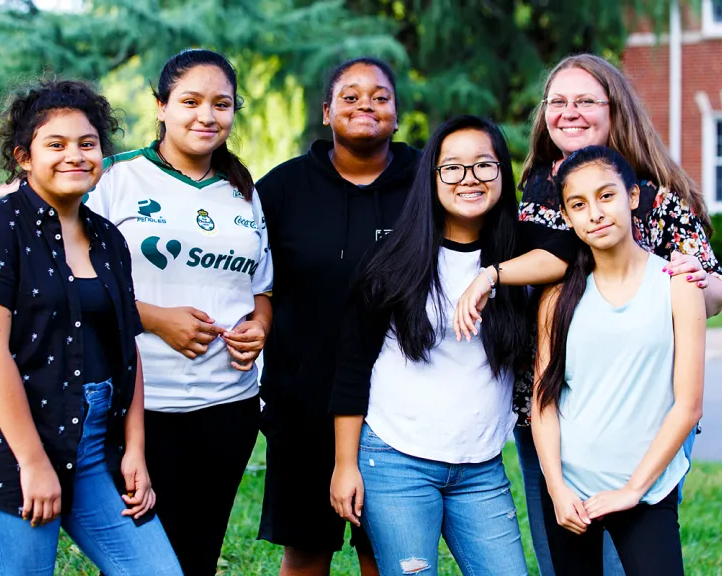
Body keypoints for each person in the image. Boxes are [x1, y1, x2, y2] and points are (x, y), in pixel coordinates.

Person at [453, 53, 721, 576]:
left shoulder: (652, 194)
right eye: (558, 102)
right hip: (548, 409)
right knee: (565, 545)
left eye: (585, 101)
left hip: (641, 410)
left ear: (614, 109)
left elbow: (708, 287)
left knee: (631, 548)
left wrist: (695, 283)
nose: (569, 112)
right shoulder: (529, 193)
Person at [328, 115, 584, 575]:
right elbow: (351, 367)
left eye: (485, 166)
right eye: (453, 168)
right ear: (432, 178)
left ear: (503, 176)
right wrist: (345, 465)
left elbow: (573, 252)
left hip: (480, 469)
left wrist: (492, 275)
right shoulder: (395, 258)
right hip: (395, 461)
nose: (470, 179)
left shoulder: (518, 249)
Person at [0, 79, 182, 575]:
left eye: (87, 144)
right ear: (23, 157)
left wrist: (135, 451)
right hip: (16, 446)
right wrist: (33, 464)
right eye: (54, 145)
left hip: (97, 445)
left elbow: (128, 347)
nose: (74, 156)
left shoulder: (108, 238)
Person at [84, 49, 273, 575]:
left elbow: (261, 289)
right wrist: (152, 317)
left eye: (222, 104)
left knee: (198, 556)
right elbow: (73, 286)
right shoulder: (113, 179)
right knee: (137, 560)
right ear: (161, 106)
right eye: (190, 101)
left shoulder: (243, 192)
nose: (206, 116)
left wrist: (259, 328)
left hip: (229, 407)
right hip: (139, 408)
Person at [255, 57, 419, 576]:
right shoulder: (281, 190)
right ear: (326, 113)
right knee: (305, 552)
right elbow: (247, 281)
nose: (365, 104)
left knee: (388, 554)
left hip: (402, 408)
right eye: (349, 96)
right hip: (304, 401)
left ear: (396, 114)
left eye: (380, 96)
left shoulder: (428, 186)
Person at [532, 145, 704, 575]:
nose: (595, 212)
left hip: (646, 490)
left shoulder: (678, 286)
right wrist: (556, 488)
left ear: (631, 197)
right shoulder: (557, 299)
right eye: (579, 204)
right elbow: (544, 402)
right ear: (568, 218)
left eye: (606, 196)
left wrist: (633, 490)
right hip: (570, 492)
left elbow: (688, 406)